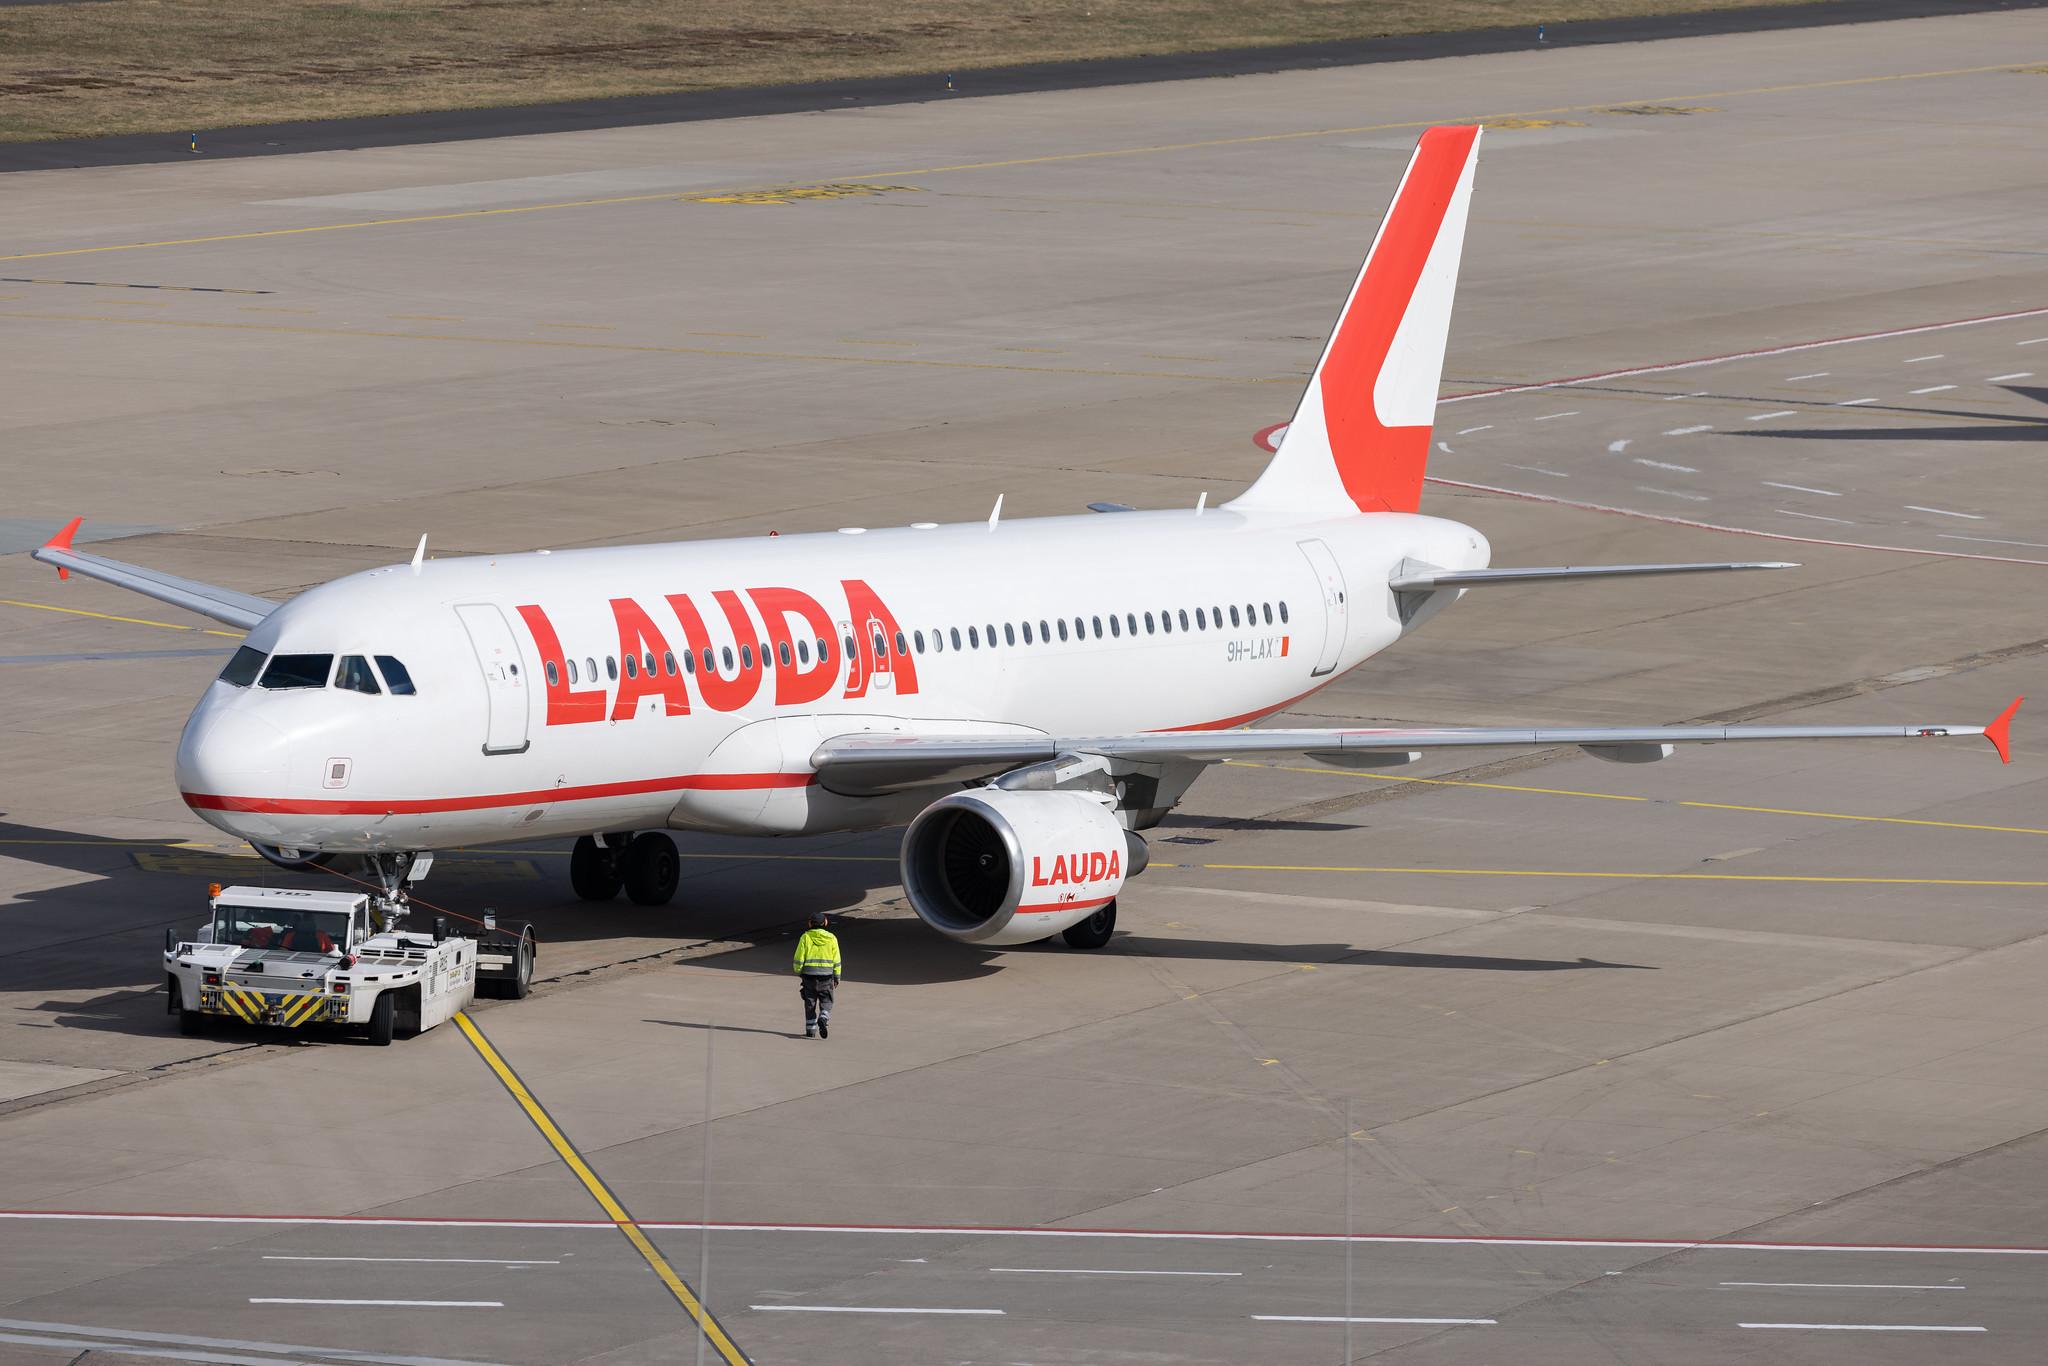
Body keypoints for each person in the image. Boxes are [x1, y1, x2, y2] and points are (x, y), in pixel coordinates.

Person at [791, 912, 842, 1038]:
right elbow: (837, 960)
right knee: (827, 1000)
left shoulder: (805, 937)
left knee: (810, 1003)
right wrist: (837, 976)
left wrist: (799, 971)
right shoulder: (832, 938)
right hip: (826, 976)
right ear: (825, 923)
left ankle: (810, 1031)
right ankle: (823, 1017)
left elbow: (799, 957)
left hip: (809, 976)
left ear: (810, 924)